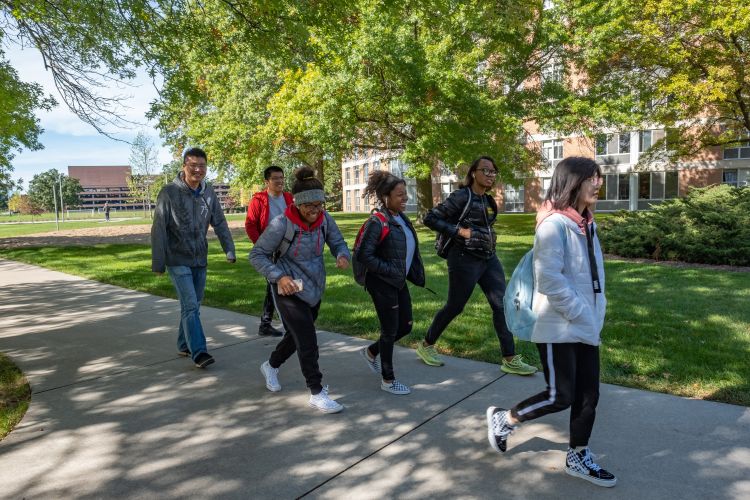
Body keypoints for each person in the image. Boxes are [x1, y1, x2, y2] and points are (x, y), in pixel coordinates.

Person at [486, 156, 616, 487]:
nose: (598, 184)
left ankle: (578, 455)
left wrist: (594, 314)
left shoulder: (586, 223)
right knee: (561, 394)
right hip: (558, 325)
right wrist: (581, 313)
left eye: (599, 178)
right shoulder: (553, 225)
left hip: (585, 323)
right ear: (573, 183)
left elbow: (592, 276)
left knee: (589, 395)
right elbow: (550, 281)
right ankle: (506, 418)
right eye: (592, 179)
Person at [418, 156, 537, 376]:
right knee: (456, 305)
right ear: (474, 173)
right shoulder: (461, 196)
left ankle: (509, 358)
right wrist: (459, 231)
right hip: (463, 258)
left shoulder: (488, 201)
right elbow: (430, 218)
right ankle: (426, 345)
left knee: (502, 304)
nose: (491, 175)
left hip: (488, 258)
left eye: (494, 172)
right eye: (486, 171)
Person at [250, 167, 351, 413]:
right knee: (307, 338)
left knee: (296, 337)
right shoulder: (281, 224)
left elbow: (337, 241)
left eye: (320, 205)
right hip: (287, 289)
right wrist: (279, 276)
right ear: (298, 204)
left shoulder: (324, 219)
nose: (316, 211)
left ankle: (271, 365)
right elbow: (257, 255)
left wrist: (341, 254)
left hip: (314, 287)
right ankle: (317, 392)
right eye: (311, 206)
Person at [151, 147, 236, 368]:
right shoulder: (168, 192)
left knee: (194, 305)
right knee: (190, 305)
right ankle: (199, 352)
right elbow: (159, 227)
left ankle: (182, 343)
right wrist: (158, 262)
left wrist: (229, 249)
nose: (198, 170)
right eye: (193, 165)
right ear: (184, 167)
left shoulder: (209, 193)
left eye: (202, 166)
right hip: (177, 258)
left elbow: (220, 222)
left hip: (200, 258)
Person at [356, 171, 425, 395]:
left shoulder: (400, 217)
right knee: (389, 330)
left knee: (405, 326)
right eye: (400, 195)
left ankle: (370, 353)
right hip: (382, 283)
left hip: (397, 281)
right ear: (385, 197)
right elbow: (363, 255)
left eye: (406, 194)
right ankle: (388, 380)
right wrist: (391, 270)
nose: (405, 198)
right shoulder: (378, 221)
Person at [245, 165, 295, 337]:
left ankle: (267, 323)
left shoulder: (289, 198)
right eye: (275, 178)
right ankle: (280, 323)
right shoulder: (259, 200)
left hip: (288, 248)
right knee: (275, 283)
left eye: (281, 177)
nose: (280, 181)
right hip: (270, 249)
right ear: (267, 181)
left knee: (280, 283)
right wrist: (261, 246)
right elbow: (250, 224)